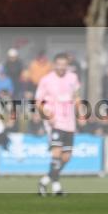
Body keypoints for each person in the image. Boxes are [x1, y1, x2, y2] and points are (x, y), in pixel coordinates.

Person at [35, 52, 81, 196]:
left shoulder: (73, 77)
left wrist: (81, 114)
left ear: (67, 65)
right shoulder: (46, 80)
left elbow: (77, 96)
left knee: (66, 157)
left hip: (70, 122)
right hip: (54, 121)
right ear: (54, 64)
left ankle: (44, 181)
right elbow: (38, 101)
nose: (61, 67)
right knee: (56, 153)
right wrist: (47, 115)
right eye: (59, 64)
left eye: (64, 65)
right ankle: (56, 187)